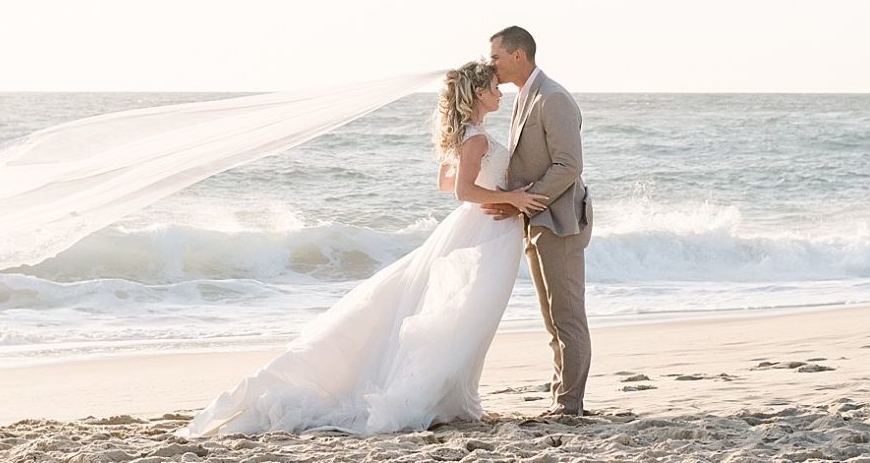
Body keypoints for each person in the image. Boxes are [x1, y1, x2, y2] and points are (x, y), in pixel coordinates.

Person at [184, 61, 546, 436]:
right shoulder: (476, 139)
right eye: (492, 88)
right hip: (483, 232)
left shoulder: (471, 134)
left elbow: (444, 182)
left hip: (481, 227)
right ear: (477, 95)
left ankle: (460, 398)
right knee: (465, 315)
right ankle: (446, 399)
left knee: (468, 316)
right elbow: (461, 192)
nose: (498, 92)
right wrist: (513, 198)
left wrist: (498, 195)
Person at [486, 25, 593, 416]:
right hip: (537, 221)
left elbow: (569, 165)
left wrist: (523, 202)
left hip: (561, 220)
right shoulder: (523, 97)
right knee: (552, 319)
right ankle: (561, 397)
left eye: (495, 56)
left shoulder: (553, 98)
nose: (490, 64)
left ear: (518, 56)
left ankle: (570, 405)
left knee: (567, 316)